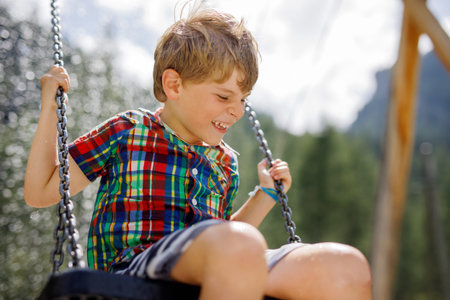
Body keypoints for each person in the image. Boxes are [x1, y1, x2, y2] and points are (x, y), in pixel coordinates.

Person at [24, 4, 372, 300]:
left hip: (208, 263)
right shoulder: (130, 130)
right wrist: (49, 107)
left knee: (343, 265)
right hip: (136, 271)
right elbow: (41, 191)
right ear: (174, 85)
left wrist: (266, 194)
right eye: (224, 97)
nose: (236, 111)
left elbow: (223, 234)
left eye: (242, 100)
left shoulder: (225, 161)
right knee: (237, 247)